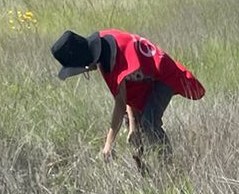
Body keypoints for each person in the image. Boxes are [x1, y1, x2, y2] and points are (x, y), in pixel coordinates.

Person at [50, 29, 204, 162]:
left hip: (163, 76)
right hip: (145, 79)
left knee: (149, 123)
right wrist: (132, 125)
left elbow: (120, 103)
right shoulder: (104, 47)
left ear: (84, 63)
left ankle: (170, 166)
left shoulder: (112, 58)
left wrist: (108, 146)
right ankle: (146, 170)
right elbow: (129, 92)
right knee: (135, 131)